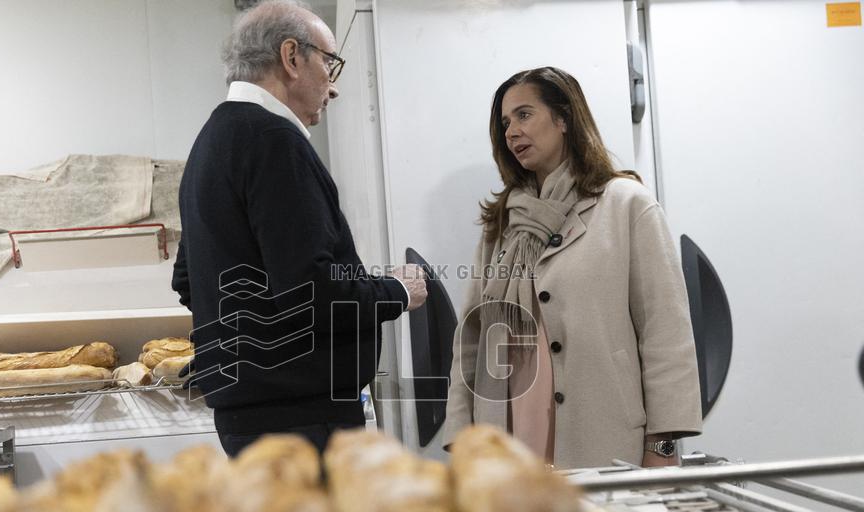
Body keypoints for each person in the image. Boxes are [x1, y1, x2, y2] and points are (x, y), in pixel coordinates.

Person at [172, 0, 426, 457]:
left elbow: (189, 281)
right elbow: (313, 290)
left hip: (251, 418)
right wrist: (398, 291)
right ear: (292, 57)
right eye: (330, 63)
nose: (335, 88)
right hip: (303, 423)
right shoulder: (274, 141)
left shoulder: (211, 141)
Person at [443, 67, 701, 469]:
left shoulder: (626, 205)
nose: (511, 132)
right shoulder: (502, 224)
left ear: (564, 118)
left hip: (604, 440)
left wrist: (663, 445)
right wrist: (460, 438)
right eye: (505, 123)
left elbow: (665, 332)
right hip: (506, 446)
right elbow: (471, 340)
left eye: (524, 115)